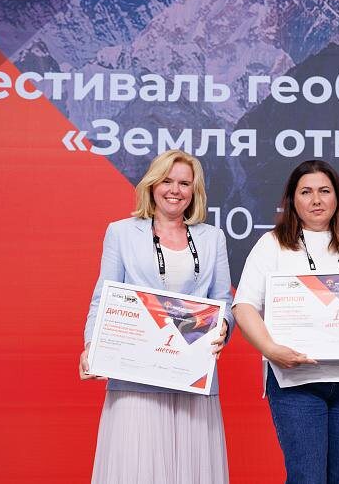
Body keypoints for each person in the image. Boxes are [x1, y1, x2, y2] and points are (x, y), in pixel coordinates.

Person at [78, 150, 233, 484]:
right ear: (152, 185)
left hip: (192, 378)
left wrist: (222, 326)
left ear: (194, 191)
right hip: (136, 379)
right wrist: (92, 346)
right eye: (167, 181)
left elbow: (223, 301)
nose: (175, 190)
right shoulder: (121, 232)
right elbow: (103, 298)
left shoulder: (212, 238)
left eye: (184, 183)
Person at [233, 160, 339, 484]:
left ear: (337, 198)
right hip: (295, 381)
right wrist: (271, 349)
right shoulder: (272, 244)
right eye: (306, 192)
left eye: (324, 191)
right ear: (292, 200)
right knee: (307, 478)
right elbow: (243, 306)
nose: (316, 200)